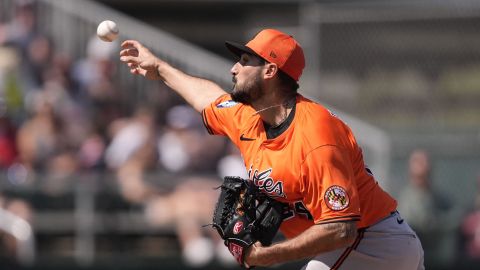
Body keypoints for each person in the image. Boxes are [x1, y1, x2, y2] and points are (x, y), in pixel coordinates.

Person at [119, 28, 424, 269]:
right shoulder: (250, 117)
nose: (234, 69)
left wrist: (265, 255)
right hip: (353, 247)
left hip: (372, 244)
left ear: (269, 71)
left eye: (246, 61)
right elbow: (207, 98)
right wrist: (159, 67)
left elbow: (340, 228)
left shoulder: (315, 136)